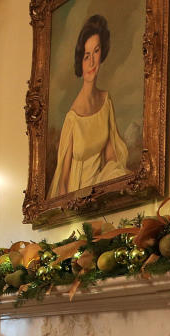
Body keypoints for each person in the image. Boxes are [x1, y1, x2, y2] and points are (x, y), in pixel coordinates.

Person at [48, 14, 130, 199]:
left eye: (96, 51)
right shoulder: (73, 117)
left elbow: (111, 157)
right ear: (80, 61)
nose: (92, 62)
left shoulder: (106, 102)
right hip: (78, 199)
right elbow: (63, 182)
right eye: (86, 56)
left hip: (99, 189)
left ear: (102, 53)